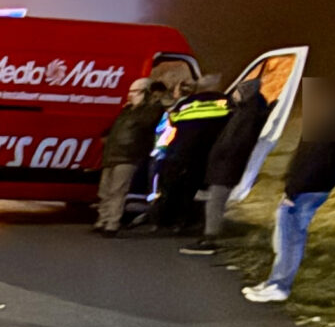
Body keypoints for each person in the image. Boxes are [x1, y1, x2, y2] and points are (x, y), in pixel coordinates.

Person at [244, 78, 335, 303]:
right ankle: (276, 282)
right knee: (293, 234)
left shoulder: (325, 128)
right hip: (318, 185)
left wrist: (292, 189)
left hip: (306, 187)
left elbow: (311, 160)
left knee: (290, 236)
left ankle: (279, 284)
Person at [183, 75, 269, 254]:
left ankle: (210, 239)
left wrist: (222, 155)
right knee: (213, 200)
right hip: (224, 164)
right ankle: (207, 234)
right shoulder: (242, 111)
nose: (234, 94)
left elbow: (238, 142)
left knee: (216, 202)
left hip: (228, 165)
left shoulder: (248, 115)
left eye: (238, 91)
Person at [151, 76, 228, 233]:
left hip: (179, 151)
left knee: (171, 187)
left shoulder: (187, 103)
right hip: (204, 154)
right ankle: (184, 222)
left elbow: (173, 120)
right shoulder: (225, 102)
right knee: (192, 190)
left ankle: (164, 221)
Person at [95, 79, 164, 235]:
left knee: (117, 190)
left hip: (128, 155)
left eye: (135, 92)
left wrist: (149, 103)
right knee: (104, 190)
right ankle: (103, 219)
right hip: (112, 154)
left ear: (145, 93)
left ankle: (112, 224)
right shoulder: (127, 111)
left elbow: (148, 123)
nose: (130, 95)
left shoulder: (150, 111)